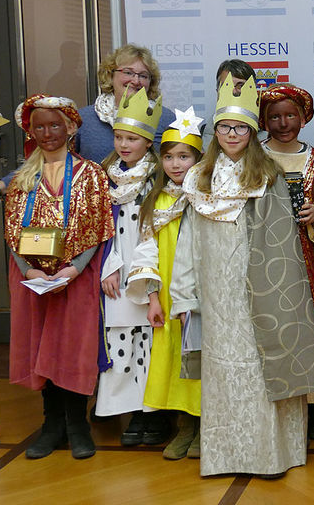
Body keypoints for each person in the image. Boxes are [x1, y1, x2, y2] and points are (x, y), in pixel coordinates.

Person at [171, 73, 314, 478]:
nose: (233, 134)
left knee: (263, 368)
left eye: (241, 127)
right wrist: (184, 293)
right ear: (216, 130)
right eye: (225, 126)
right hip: (216, 293)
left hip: (259, 290)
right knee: (224, 369)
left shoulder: (267, 176)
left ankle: (270, 454)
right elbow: (188, 240)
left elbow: (282, 247)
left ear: (252, 130)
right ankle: (227, 454)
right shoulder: (199, 177)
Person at [4, 94, 114, 459]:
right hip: (33, 279)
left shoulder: (91, 174)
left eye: (54, 125)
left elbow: (100, 226)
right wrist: (28, 270)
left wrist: (75, 268)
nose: (47, 133)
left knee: (73, 347)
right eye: (39, 126)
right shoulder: (22, 177)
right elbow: (13, 233)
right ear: (30, 131)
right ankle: (52, 425)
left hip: (75, 277)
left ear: (70, 126)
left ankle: (77, 424)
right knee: (40, 347)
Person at [0, 44, 173, 204]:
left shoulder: (165, 119)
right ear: (110, 75)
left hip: (150, 214)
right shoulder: (83, 120)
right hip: (93, 217)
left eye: (143, 75)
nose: (136, 80)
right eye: (128, 72)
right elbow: (48, 163)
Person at [259, 83, 314, 440]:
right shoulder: (254, 156)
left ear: (303, 118)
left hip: (306, 255)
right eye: (274, 117)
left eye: (290, 115)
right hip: (266, 257)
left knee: (312, 322)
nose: (283, 123)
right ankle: (277, 400)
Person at [126, 107, 205, 460]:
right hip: (168, 300)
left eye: (184, 156)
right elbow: (146, 252)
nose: (175, 164)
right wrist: (153, 297)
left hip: (199, 295)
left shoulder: (205, 200)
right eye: (170, 156)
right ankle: (184, 427)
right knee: (174, 359)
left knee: (200, 357)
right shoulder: (155, 202)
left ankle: (205, 426)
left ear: (198, 159)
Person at [96, 88, 169, 445]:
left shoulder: (159, 177)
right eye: (119, 137)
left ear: (147, 141)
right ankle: (129, 414)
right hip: (116, 269)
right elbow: (97, 227)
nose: (124, 144)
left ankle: (153, 415)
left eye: (133, 138)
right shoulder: (105, 178)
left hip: (148, 268)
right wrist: (109, 265)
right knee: (121, 339)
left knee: (150, 343)